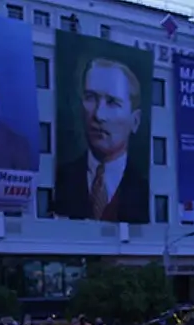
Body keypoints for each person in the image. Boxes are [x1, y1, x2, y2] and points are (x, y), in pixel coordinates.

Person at [52, 57, 149, 223]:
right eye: (90, 97)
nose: (98, 115)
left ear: (135, 121)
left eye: (112, 102)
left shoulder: (145, 187)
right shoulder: (61, 177)